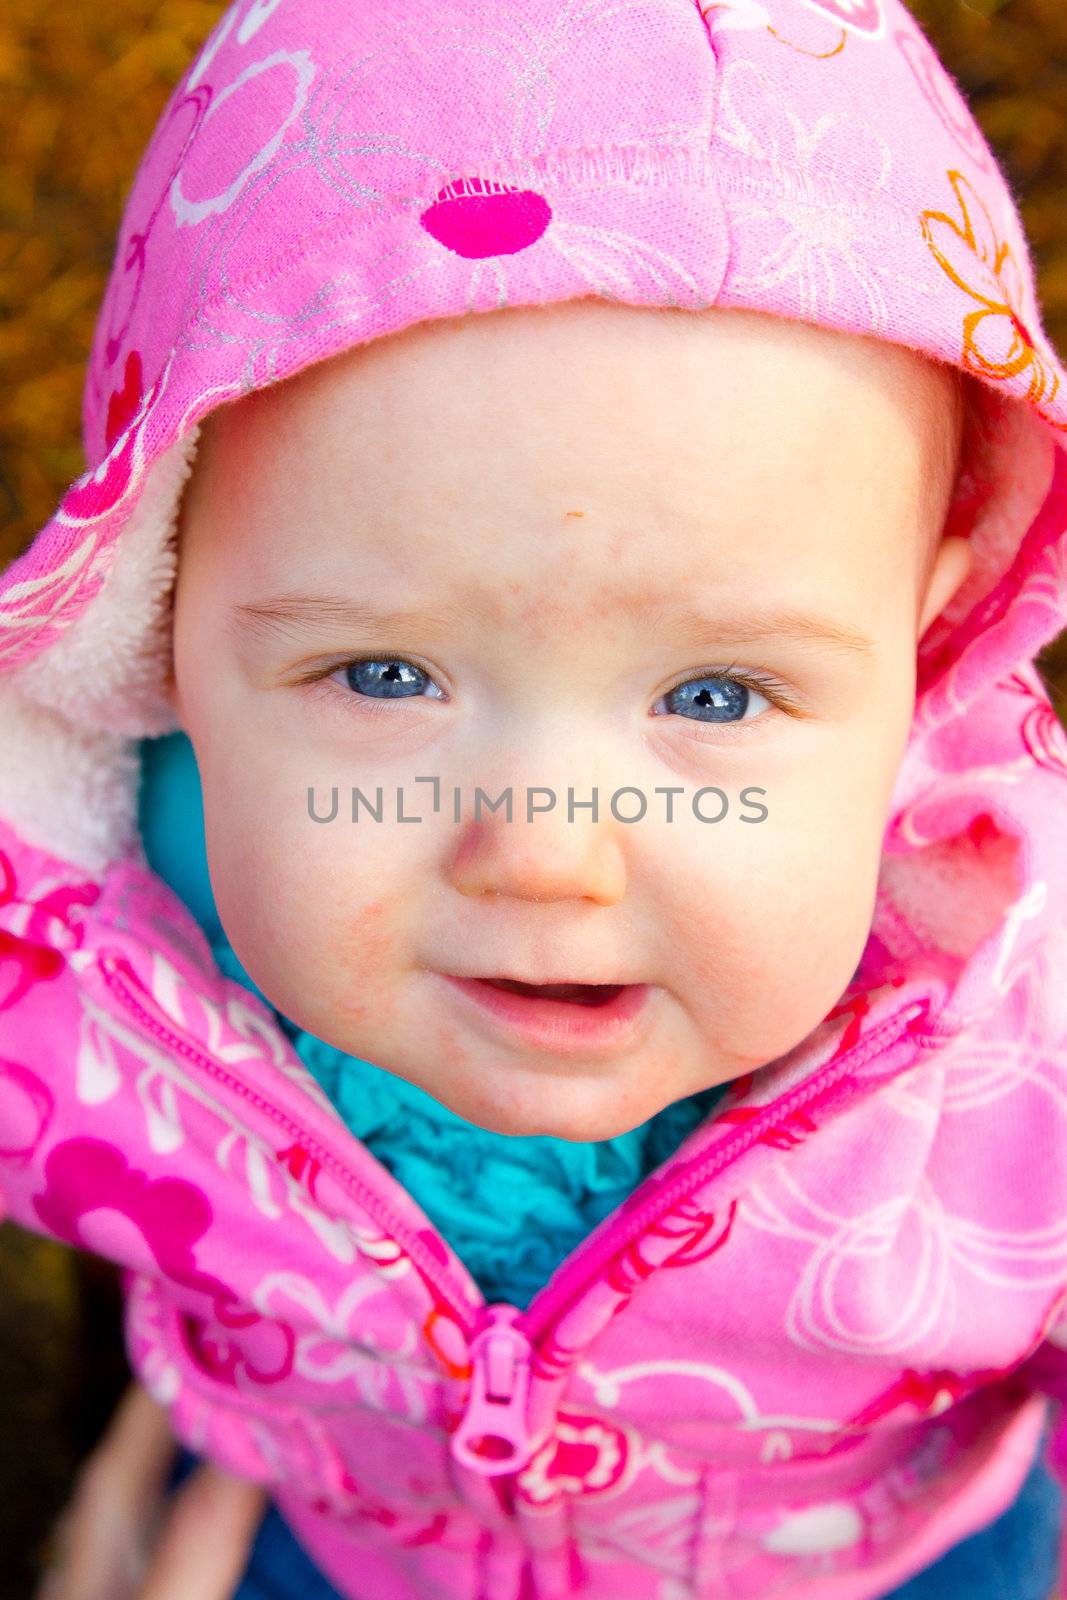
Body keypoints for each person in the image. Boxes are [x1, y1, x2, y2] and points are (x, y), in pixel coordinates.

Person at [4, 0, 1067, 1596]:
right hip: (344, 1547)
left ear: (923, 636)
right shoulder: (96, 955)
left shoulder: (1023, 1044)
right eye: (381, 677)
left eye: (714, 697)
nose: (547, 857)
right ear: (157, 621)